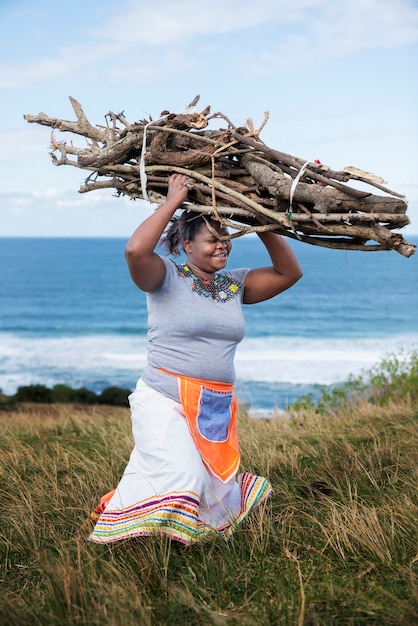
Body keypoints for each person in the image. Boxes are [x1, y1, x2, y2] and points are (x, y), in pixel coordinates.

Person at [88, 173, 302, 545]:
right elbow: (135, 251)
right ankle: (144, 542)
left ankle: (159, 536)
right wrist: (172, 201)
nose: (223, 246)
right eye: (213, 240)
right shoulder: (165, 277)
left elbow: (289, 272)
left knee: (210, 486)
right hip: (163, 399)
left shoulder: (234, 284)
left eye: (227, 239)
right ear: (186, 243)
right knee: (183, 473)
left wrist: (259, 219)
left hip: (214, 406)